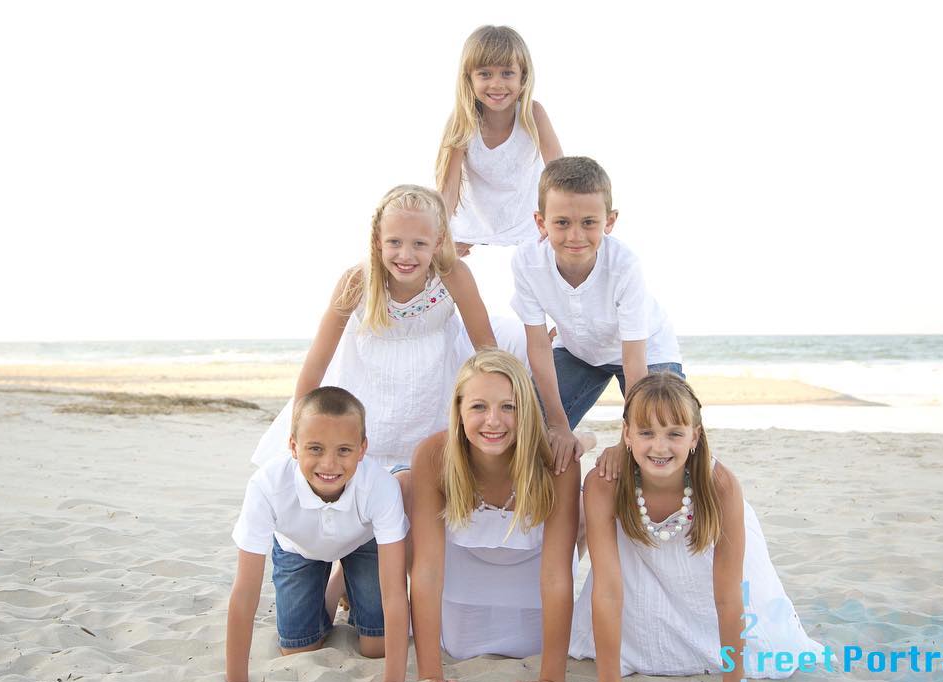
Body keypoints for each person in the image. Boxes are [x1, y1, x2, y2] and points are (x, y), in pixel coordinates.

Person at [570, 373, 823, 682]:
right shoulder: (605, 484)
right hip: (641, 569)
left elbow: (728, 593)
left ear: (695, 437)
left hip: (707, 569)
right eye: (646, 433)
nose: (660, 447)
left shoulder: (720, 485)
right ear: (626, 434)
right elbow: (608, 589)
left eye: (675, 434)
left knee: (765, 643)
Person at [252, 184, 522, 471]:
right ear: (378, 240)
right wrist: (300, 426)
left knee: (421, 486)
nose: (405, 255)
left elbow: (487, 351)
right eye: (395, 242)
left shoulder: (453, 276)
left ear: (438, 240)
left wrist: (500, 409)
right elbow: (317, 364)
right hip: (368, 404)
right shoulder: (357, 282)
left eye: (419, 244)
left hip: (430, 406)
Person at [402, 349, 579, 682]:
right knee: (401, 486)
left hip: (536, 617)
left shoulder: (554, 460)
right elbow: (427, 570)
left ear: (525, 409)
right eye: (479, 407)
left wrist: (551, 676)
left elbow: (557, 575)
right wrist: (430, 672)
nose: (493, 421)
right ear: (459, 410)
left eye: (508, 407)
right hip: (461, 619)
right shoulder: (433, 455)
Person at [225, 387, 409, 682]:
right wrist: (236, 681)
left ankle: (343, 571)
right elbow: (244, 592)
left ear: (363, 449)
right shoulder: (267, 486)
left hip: (361, 543)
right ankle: (337, 581)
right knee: (298, 647)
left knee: (376, 647)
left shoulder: (380, 486)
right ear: (293, 447)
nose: (329, 463)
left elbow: (394, 592)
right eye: (315, 448)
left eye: (344, 451)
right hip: (299, 548)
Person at [510, 156, 683, 474]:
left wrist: (626, 440)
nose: (575, 236)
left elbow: (633, 360)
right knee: (526, 433)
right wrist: (559, 425)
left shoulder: (623, 266)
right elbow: (538, 345)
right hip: (578, 351)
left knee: (659, 440)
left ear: (609, 221)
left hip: (644, 355)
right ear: (540, 222)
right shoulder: (527, 263)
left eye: (588, 222)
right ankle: (581, 439)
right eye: (562, 222)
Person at [436, 25, 563, 319]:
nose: (497, 84)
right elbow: (448, 188)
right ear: (469, 79)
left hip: (524, 221)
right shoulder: (462, 120)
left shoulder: (533, 114)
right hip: (472, 223)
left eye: (507, 73)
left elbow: (558, 174)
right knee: (436, 267)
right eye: (485, 74)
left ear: (523, 77)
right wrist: (438, 234)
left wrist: (557, 224)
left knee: (551, 278)